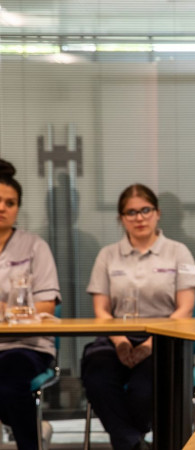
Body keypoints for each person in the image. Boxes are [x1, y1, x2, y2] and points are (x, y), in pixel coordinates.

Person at [81, 184, 195, 450]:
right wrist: (121, 342)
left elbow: (185, 308)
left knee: (143, 391)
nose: (139, 218)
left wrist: (150, 346)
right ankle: (134, 444)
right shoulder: (107, 255)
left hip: (164, 339)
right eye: (131, 212)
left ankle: (127, 440)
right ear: (121, 218)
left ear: (158, 213)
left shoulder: (178, 251)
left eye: (145, 210)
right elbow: (101, 311)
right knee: (97, 380)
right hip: (115, 339)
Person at [0, 159, 61, 450]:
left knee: (10, 381)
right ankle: (36, 427)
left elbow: (46, 306)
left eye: (10, 203)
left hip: (28, 345)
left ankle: (30, 443)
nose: (2, 208)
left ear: (17, 209)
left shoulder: (35, 246)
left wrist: (6, 310)